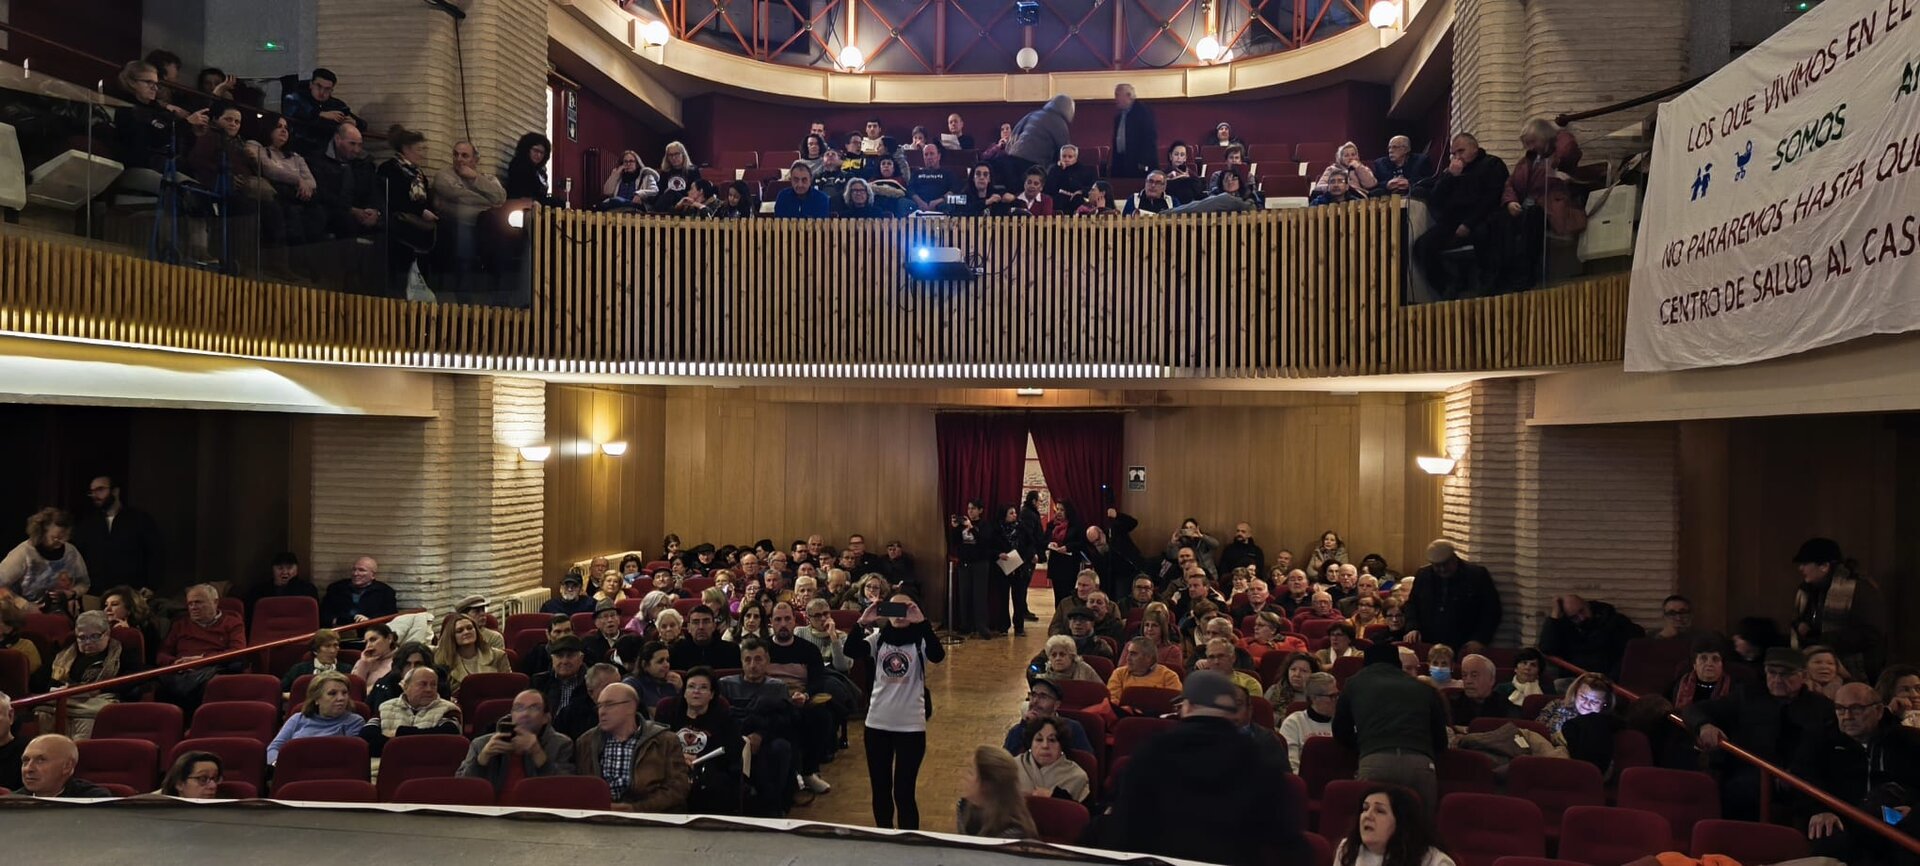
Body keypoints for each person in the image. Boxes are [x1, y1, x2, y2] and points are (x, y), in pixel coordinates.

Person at [1100, 671, 1308, 864]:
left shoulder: (1152, 752)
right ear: (1233, 713)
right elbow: (1286, 838)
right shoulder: (1257, 758)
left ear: (1186, 707)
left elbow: (1124, 828)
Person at [1685, 646, 1838, 820]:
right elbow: (1694, 710)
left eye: (1786, 674)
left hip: (1803, 778)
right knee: (1741, 791)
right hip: (1751, 772)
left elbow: (1825, 748)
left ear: (1803, 676)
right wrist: (1704, 725)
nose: (1778, 679)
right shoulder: (1747, 696)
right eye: (1772, 673)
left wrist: (1796, 771)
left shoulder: (1821, 706)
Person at [1789, 682, 1920, 864]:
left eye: (1856, 709)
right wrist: (1820, 810)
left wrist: (1913, 812)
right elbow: (1802, 780)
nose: (1847, 716)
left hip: (1897, 818)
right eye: (1840, 709)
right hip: (1841, 816)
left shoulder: (1907, 741)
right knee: (1829, 838)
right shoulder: (1819, 741)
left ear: (1879, 711)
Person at [842, 594, 943, 829]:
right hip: (877, 724)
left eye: (905, 609)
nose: (900, 616)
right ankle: (884, 838)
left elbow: (938, 655)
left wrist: (923, 622)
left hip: (911, 727)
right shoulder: (878, 639)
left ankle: (909, 842)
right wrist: (862, 621)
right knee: (881, 790)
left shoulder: (921, 640)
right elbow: (851, 650)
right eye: (894, 609)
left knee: (904, 793)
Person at [1335, 641, 1450, 815]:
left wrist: (1367, 744)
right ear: (1397, 663)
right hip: (1419, 762)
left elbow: (1340, 732)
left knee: (1371, 826)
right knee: (1422, 829)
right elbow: (1441, 741)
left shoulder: (1354, 683)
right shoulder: (1424, 688)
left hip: (1375, 760)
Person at [1414, 133, 1511, 299]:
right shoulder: (1452, 171)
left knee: (1485, 234)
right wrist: (1449, 177)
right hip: (1452, 222)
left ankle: (1488, 285)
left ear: (1474, 148)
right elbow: (1435, 199)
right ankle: (1447, 286)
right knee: (1421, 246)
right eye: (1453, 153)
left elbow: (1492, 197)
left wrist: (1468, 223)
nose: (1457, 156)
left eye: (1461, 151)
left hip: (1482, 218)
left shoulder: (1492, 164)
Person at [574, 681, 690, 812]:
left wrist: (635, 808)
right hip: (600, 818)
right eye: (599, 706)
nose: (602, 712)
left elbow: (677, 789)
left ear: (631, 707)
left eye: (609, 705)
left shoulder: (665, 741)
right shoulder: (586, 742)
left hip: (650, 819)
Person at [718, 637, 800, 816]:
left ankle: (774, 805)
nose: (753, 665)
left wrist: (761, 735)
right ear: (741, 661)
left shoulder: (777, 688)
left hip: (766, 739)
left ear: (767, 661)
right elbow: (723, 718)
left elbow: (784, 722)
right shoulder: (725, 685)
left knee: (782, 747)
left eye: (758, 659)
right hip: (734, 738)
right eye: (747, 660)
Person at [1790, 537, 1887, 682]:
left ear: (1824, 566)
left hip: (1853, 671)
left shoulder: (1858, 590)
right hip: (1815, 668)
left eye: (1805, 563)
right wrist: (1802, 626)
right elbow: (1804, 621)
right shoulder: (1808, 591)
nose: (1800, 568)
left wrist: (1822, 640)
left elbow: (1871, 634)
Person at [35, 610, 143, 738]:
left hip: (95, 702)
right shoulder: (65, 654)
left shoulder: (121, 653)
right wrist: (60, 687)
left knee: (90, 716)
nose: (87, 642)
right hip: (63, 700)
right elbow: (38, 681)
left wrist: (98, 689)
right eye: (82, 637)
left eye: (95, 636)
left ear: (107, 634)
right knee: (42, 711)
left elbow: (135, 677)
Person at [653, 666, 744, 814]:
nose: (696, 691)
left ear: (712, 694)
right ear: (684, 693)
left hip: (709, 772)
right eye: (691, 687)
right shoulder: (668, 713)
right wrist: (679, 758)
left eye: (703, 688)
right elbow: (656, 745)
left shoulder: (724, 719)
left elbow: (732, 752)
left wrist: (698, 759)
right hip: (671, 768)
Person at [157, 584, 248, 710]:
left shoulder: (232, 622)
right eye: (190, 604)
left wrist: (202, 659)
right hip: (180, 671)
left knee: (213, 684)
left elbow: (237, 651)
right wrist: (174, 663)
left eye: (198, 603)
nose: (193, 608)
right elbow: (162, 654)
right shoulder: (180, 624)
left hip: (211, 668)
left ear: (215, 602)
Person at [1404, 539, 1501, 655]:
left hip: (1464, 645)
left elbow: (1491, 610)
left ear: (1454, 558)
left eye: (1445, 565)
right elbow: (1412, 604)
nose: (1442, 569)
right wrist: (1412, 627)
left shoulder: (1476, 575)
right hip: (1429, 642)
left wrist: (1479, 639)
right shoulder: (1423, 575)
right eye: (1437, 566)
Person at [72, 475, 163, 591]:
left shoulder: (139, 519)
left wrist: (151, 586)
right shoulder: (88, 524)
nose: (95, 495)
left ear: (115, 491)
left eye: (100, 490)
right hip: (95, 592)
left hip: (131, 593)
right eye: (92, 492)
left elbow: (155, 554)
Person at [1336, 784, 1456, 866]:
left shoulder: (1435, 862)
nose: (1368, 815)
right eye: (1365, 808)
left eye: (1380, 811)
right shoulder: (1347, 849)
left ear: (1401, 822)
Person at [266, 672, 366, 765]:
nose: (341, 698)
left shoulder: (355, 722)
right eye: (332, 693)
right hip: (294, 772)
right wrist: (279, 765)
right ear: (316, 699)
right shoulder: (297, 719)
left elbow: (351, 758)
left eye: (344, 693)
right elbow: (273, 749)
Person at [0, 507, 89, 611]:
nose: (61, 542)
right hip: (25, 615)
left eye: (65, 537)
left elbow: (84, 583)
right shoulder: (23, 553)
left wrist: (72, 593)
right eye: (55, 537)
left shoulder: (71, 552)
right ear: (42, 532)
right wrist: (26, 606)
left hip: (62, 614)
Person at [1539, 593, 1644, 681]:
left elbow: (1634, 645)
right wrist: (1554, 616)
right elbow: (1547, 648)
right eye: (1575, 617)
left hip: (1607, 680)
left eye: (1582, 611)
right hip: (1576, 680)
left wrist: (1610, 679)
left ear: (1587, 605)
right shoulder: (1566, 628)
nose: (1582, 618)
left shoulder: (1614, 622)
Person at [364, 665, 460, 756]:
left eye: (433, 685)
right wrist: (420, 740)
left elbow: (446, 737)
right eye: (423, 684)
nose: (429, 689)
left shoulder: (449, 709)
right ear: (405, 687)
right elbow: (367, 736)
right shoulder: (386, 707)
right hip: (386, 766)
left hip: (430, 766)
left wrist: (398, 733)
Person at [956, 746, 1038, 839]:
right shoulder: (964, 807)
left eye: (970, 772)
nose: (963, 776)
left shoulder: (1012, 833)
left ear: (987, 785)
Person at [280, 68, 363, 156]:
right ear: (311, 85)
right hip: (300, 149)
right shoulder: (296, 99)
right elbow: (294, 113)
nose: (322, 92)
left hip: (329, 151)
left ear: (331, 90)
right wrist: (320, 114)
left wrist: (355, 123)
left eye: (327, 89)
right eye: (319, 86)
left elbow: (362, 124)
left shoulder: (336, 104)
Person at [1003, 677, 1094, 755]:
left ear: (1056, 705)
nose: (1035, 701)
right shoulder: (1018, 730)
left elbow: (1086, 763)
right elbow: (1008, 763)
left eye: (1043, 697)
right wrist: (1023, 726)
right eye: (1033, 695)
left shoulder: (1072, 728)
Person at [532, 635, 597, 739]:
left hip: (580, 738)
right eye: (559, 656)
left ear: (581, 658)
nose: (564, 661)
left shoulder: (592, 682)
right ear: (552, 659)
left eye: (570, 656)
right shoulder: (539, 682)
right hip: (543, 738)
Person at [1016, 716, 1090, 803]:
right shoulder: (1011, 768)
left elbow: (1083, 815)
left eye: (1052, 740)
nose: (1045, 746)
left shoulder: (1077, 777)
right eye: (1039, 740)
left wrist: (1054, 797)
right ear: (1030, 744)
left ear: (1061, 745)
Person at [1005, 95, 1076, 184]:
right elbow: (1063, 150)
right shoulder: (1060, 124)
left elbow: (1014, 134)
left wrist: (1009, 153)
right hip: (1034, 165)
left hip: (1012, 159)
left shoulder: (1033, 114)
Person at [11, 734, 110, 798]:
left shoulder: (94, 801)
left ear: (67, 766)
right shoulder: (11, 802)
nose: (28, 768)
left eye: (41, 760)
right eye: (26, 760)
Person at [434, 612, 511, 694]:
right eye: (460, 631)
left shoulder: (498, 656)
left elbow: (508, 687)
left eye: (470, 628)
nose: (466, 632)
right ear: (452, 636)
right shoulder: (442, 660)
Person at [1279, 672, 1340, 773]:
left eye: (1337, 694)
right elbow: (1291, 764)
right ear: (1314, 698)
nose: (1337, 700)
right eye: (1332, 696)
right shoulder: (1294, 723)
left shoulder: (1343, 723)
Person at [320, 556, 398, 627]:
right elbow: (324, 613)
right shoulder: (336, 588)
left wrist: (369, 620)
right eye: (354, 569)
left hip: (369, 630)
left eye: (361, 570)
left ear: (373, 575)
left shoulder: (385, 591)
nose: (355, 573)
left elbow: (390, 616)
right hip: (339, 630)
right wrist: (334, 621)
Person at [1108, 635, 1183, 704]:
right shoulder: (1119, 674)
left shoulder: (1168, 676)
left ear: (1148, 658)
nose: (1127, 658)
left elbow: (1175, 705)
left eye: (1133, 654)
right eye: (1128, 653)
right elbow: (1113, 702)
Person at [1447, 654, 1515, 727]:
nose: (1468, 681)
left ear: (1491, 680)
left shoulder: (1505, 706)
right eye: (1464, 675)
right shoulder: (1452, 703)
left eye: (1474, 675)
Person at [280, 628, 352, 693]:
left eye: (335, 645)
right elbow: (279, 691)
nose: (333, 650)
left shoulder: (347, 670)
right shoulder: (299, 670)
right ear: (315, 650)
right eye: (327, 646)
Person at [1109, 83, 1158, 178]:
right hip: (1122, 163)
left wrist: (1143, 163)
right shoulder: (1119, 117)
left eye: (1117, 95)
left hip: (1138, 166)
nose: (1115, 99)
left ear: (1129, 96)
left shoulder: (1143, 113)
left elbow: (1149, 139)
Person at [504, 132, 562, 204]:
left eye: (542, 153)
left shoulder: (541, 172)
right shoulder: (518, 165)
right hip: (520, 206)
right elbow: (522, 191)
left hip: (538, 206)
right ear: (527, 149)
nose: (538, 155)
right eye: (536, 150)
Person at [1370, 135, 1435, 196]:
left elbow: (1430, 180)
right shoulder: (1380, 163)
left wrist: (1409, 183)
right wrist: (1387, 184)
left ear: (1407, 149)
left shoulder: (1421, 161)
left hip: (1412, 194)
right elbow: (1374, 183)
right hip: (1389, 196)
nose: (1390, 151)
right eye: (1389, 148)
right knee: (1377, 192)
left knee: (1419, 191)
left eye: (1395, 147)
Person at [1043, 145, 1098, 213]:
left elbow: (1092, 187)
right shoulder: (1054, 169)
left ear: (1076, 157)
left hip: (1078, 202)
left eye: (1070, 157)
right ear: (1060, 157)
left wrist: (1081, 191)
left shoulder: (1085, 170)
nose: (1066, 159)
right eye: (1064, 156)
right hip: (1058, 202)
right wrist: (1059, 170)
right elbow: (1048, 188)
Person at [159, 750, 224, 798]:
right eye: (203, 779)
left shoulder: (226, 812)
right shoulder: (155, 809)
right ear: (179, 784)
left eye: (215, 779)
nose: (213, 786)